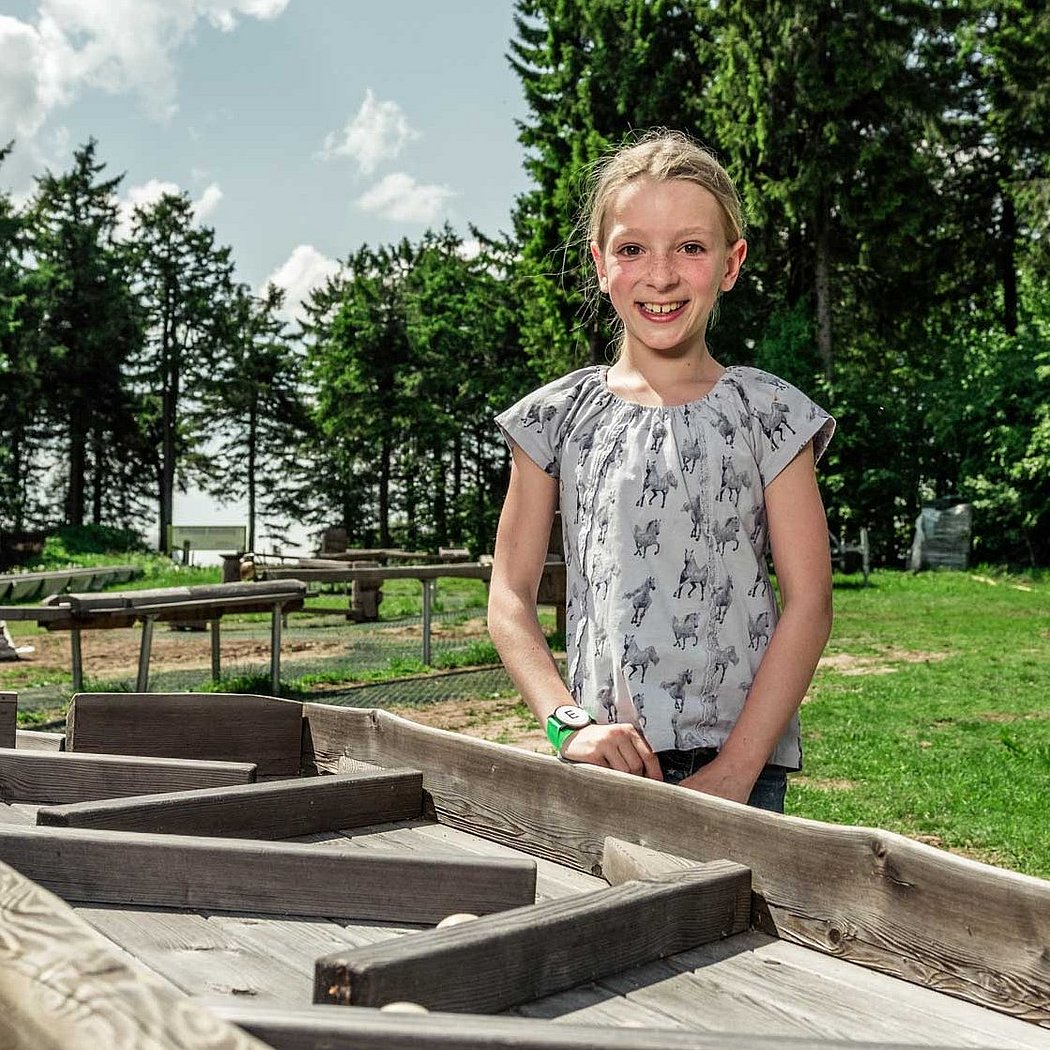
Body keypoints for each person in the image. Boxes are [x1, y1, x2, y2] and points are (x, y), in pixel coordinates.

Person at [487, 130, 835, 813]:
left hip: (744, 775)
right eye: (632, 249)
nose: (662, 274)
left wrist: (738, 767)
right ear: (600, 264)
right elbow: (508, 597)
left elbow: (811, 601)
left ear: (731, 263)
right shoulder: (554, 420)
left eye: (691, 247)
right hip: (606, 769)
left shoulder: (771, 415)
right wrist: (566, 725)